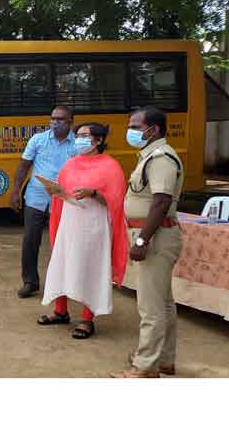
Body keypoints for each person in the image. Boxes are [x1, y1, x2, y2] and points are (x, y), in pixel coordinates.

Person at [111, 107, 183, 378]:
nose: (130, 131)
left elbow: (161, 201)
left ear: (153, 130)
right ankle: (164, 359)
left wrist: (142, 240)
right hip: (156, 235)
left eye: (135, 127)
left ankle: (145, 367)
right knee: (163, 302)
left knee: (150, 307)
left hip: (155, 237)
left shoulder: (162, 158)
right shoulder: (150, 156)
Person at [37, 123, 128, 339]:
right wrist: (54, 190)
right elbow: (62, 189)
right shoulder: (71, 164)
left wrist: (94, 193)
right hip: (69, 222)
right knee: (63, 262)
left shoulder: (110, 166)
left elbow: (116, 200)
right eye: (77, 135)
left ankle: (87, 318)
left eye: (85, 135)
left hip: (94, 226)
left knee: (91, 268)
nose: (79, 139)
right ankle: (60, 311)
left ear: (98, 140)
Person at [11, 105, 77, 298]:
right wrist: (15, 192)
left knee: (63, 241)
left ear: (70, 122)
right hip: (36, 198)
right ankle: (30, 282)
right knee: (30, 239)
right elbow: (24, 167)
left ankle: (64, 284)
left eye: (60, 119)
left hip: (65, 199)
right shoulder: (38, 140)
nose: (55, 122)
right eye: (53, 118)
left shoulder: (78, 144)